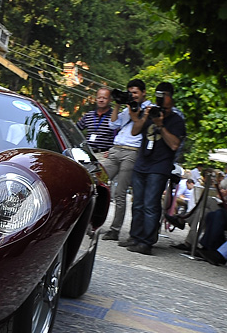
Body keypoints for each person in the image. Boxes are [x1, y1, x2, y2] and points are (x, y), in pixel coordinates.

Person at [122, 81, 186, 255]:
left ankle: (146, 242)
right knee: (138, 204)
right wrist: (144, 116)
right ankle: (135, 237)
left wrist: (160, 125)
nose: (159, 99)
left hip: (159, 166)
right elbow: (134, 131)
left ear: (170, 97)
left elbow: (174, 145)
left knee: (151, 205)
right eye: (157, 95)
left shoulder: (176, 119)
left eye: (163, 95)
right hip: (142, 163)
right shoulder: (148, 112)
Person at [100, 79, 150, 241]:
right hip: (115, 150)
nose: (133, 96)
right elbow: (113, 124)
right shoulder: (127, 108)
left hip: (132, 152)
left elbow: (143, 128)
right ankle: (91, 222)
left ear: (143, 93)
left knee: (120, 193)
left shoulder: (149, 108)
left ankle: (114, 230)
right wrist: (117, 104)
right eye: (130, 93)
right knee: (97, 182)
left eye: (135, 92)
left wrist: (136, 111)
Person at [76, 87, 118, 155]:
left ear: (110, 100)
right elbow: (75, 130)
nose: (101, 100)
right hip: (88, 153)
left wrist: (113, 151)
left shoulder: (115, 116)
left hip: (105, 154)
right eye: (99, 98)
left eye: (104, 98)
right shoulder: (88, 115)